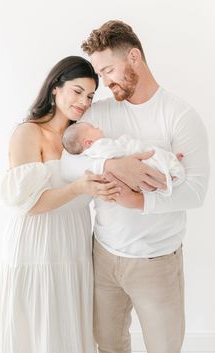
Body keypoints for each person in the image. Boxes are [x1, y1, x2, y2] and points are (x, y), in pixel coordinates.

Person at [60, 21, 210, 353]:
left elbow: (196, 192)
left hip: (156, 261)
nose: (104, 82)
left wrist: (136, 201)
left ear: (134, 57)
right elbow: (65, 162)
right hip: (104, 255)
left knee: (164, 347)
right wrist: (111, 165)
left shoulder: (180, 116)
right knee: (109, 345)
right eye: (100, 74)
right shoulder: (98, 114)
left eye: (109, 70)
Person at [0, 56, 121, 353]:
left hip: (72, 243)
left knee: (67, 323)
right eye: (77, 91)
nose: (83, 102)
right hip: (37, 242)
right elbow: (28, 204)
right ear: (55, 88)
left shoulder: (82, 140)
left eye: (89, 96)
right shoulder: (29, 132)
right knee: (38, 325)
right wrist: (78, 188)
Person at [62, 121, 185, 197]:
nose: (98, 126)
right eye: (93, 127)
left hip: (133, 163)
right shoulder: (99, 146)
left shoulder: (92, 152)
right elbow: (117, 152)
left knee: (154, 162)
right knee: (153, 159)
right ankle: (170, 169)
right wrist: (125, 144)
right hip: (132, 157)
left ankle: (170, 167)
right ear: (88, 142)